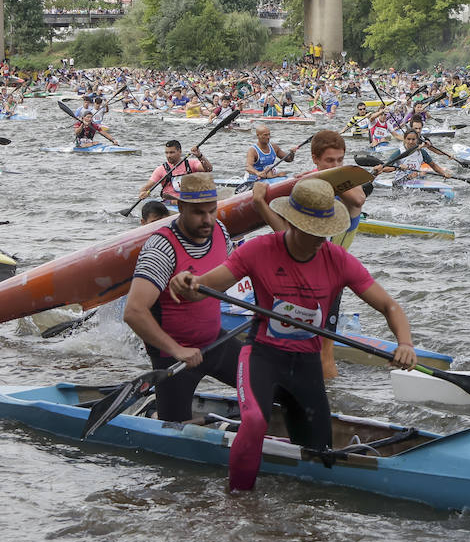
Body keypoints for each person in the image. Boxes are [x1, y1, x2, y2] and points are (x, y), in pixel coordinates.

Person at [168, 178, 417, 491]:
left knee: (321, 454)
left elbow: (389, 306)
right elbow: (203, 288)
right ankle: (239, 505)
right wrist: (186, 282)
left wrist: (405, 344)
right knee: (256, 421)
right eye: (311, 230)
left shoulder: (337, 260)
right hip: (262, 357)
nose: (319, 238)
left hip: (306, 365)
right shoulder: (258, 251)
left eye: (324, 230)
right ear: (292, 223)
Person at [123, 173, 243, 424]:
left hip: (215, 341)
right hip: (174, 356)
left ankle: (234, 422)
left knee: (270, 386)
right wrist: (177, 350)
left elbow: (231, 276)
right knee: (173, 427)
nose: (208, 219)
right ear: (180, 207)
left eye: (212, 210)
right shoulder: (160, 248)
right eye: (199, 213)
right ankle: (154, 414)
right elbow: (134, 312)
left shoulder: (220, 230)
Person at [248, 129, 368, 379]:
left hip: (331, 278)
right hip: (299, 276)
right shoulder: (308, 191)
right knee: (291, 346)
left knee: (325, 351)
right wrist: (260, 204)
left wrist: (320, 174)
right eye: (329, 161)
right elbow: (286, 235)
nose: (336, 166)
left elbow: (358, 200)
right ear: (315, 158)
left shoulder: (348, 185)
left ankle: (329, 408)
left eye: (339, 160)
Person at [137, 140, 211, 203]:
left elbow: (208, 169)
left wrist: (199, 156)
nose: (168, 155)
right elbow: (146, 188)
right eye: (166, 153)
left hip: (190, 200)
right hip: (171, 202)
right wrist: (143, 193)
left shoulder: (191, 164)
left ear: (180, 151)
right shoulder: (161, 170)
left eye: (172, 152)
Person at [240, 124, 296, 189]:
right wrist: (257, 173)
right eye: (265, 135)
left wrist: (292, 153)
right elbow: (248, 167)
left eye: (269, 134)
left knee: (288, 178)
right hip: (255, 179)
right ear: (258, 136)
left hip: (269, 177)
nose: (268, 137)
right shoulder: (253, 150)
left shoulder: (274, 147)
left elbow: (289, 159)